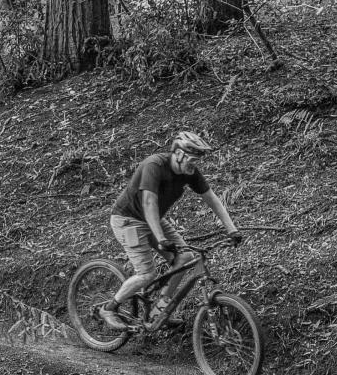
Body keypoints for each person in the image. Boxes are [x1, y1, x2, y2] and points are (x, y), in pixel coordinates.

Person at [101, 129, 241, 329]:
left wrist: (232, 229)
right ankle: (109, 308)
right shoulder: (154, 165)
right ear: (178, 154)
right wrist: (160, 238)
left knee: (184, 258)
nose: (194, 165)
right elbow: (149, 202)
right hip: (128, 220)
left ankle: (159, 311)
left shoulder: (189, 172)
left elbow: (213, 200)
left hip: (154, 219)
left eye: (196, 161)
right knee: (146, 274)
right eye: (191, 159)